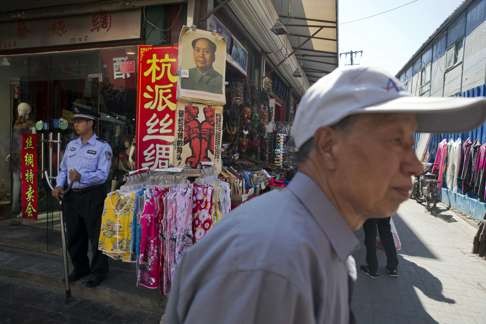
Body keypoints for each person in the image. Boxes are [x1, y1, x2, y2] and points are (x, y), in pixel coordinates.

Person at [164, 66, 486, 323]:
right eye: (395, 141)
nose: (416, 165)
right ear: (329, 146)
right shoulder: (273, 264)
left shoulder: (321, 247)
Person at [51, 105, 112, 288]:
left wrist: (82, 177)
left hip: (92, 196)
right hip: (71, 196)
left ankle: (98, 272)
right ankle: (80, 268)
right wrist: (59, 185)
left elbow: (103, 174)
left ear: (90, 123)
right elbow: (63, 169)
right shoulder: (71, 145)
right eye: (75, 121)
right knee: (75, 236)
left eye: (79, 121)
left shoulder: (102, 146)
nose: (76, 124)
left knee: (96, 236)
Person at [10, 102, 35, 224]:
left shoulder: (22, 124)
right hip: (20, 155)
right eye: (19, 109)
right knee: (21, 182)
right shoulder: (23, 123)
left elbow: (20, 141)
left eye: (20, 109)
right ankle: (19, 208)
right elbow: (18, 140)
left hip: (20, 156)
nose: (19, 111)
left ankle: (19, 208)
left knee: (20, 183)